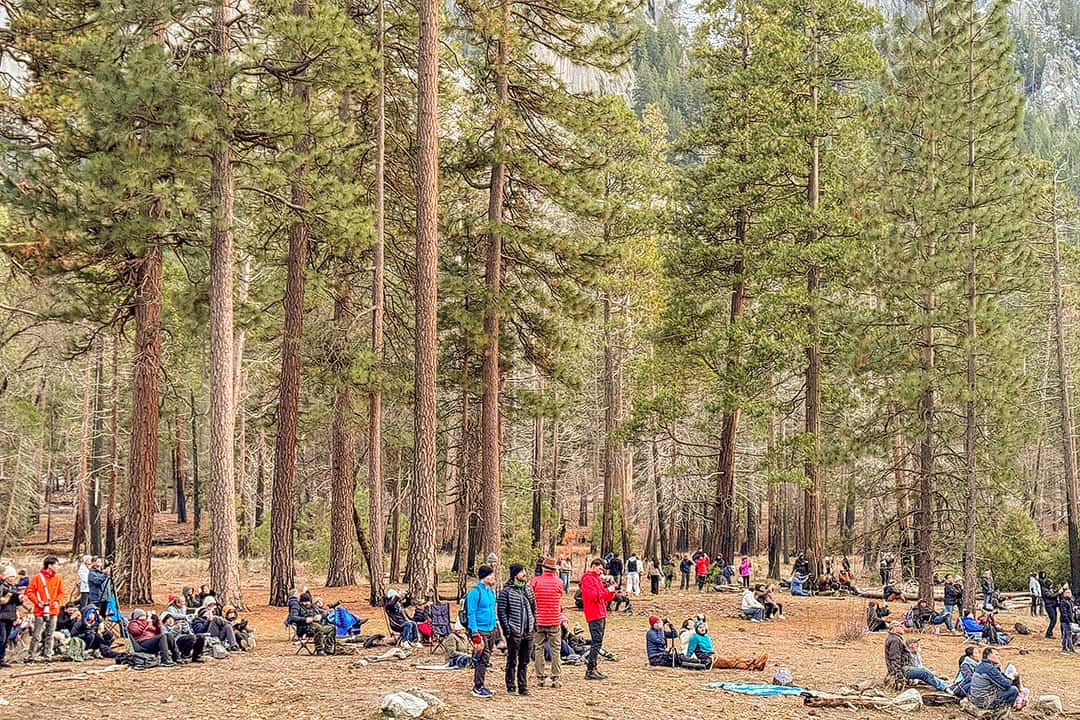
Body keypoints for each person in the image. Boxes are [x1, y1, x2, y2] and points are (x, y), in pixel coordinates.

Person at [496, 563, 536, 696]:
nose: (524, 573)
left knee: (525, 660)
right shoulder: (506, 592)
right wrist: (507, 630)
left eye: (524, 571)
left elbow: (533, 608)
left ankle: (523, 686)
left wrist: (533, 626)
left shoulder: (528, 589)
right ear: (515, 575)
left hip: (528, 631)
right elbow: (502, 612)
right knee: (512, 659)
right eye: (521, 571)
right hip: (514, 631)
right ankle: (511, 686)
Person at [530, 556, 564, 689]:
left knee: (539, 648)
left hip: (539, 619)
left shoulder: (535, 582)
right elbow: (560, 596)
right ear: (555, 570)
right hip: (554, 619)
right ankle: (556, 678)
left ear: (543, 568)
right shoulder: (559, 582)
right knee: (556, 649)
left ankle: (540, 678)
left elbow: (530, 597)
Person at [579, 558, 616, 680]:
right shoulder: (588, 578)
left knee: (598, 642)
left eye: (602, 569)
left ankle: (593, 667)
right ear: (593, 566)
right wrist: (607, 590)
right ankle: (590, 669)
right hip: (593, 613)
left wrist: (611, 588)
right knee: (596, 642)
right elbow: (593, 596)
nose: (601, 571)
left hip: (601, 613)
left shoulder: (597, 579)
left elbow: (606, 598)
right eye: (600, 568)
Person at [466, 564, 498, 698]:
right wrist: (474, 632)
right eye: (490, 575)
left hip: (490, 628)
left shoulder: (490, 592)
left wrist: (495, 625)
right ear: (484, 577)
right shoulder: (475, 592)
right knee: (482, 657)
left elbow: (492, 609)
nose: (493, 577)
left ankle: (481, 684)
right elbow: (471, 612)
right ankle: (478, 686)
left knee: (486, 657)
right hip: (479, 629)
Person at [884, 625, 947, 691]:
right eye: (900, 626)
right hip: (903, 669)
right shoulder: (895, 640)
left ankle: (944, 684)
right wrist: (899, 676)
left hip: (903, 668)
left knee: (925, 672)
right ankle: (945, 687)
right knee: (924, 672)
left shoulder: (895, 638)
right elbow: (894, 659)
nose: (903, 627)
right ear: (894, 628)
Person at [685, 620, 766, 670]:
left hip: (713, 655)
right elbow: (690, 650)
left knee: (734, 658)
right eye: (700, 628)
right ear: (696, 630)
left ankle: (754, 662)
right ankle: (753, 665)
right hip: (709, 658)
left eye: (703, 627)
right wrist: (686, 659)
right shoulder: (694, 637)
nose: (702, 629)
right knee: (730, 662)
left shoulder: (706, 636)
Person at [25, 556, 63, 662]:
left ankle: (48, 656)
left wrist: (57, 602)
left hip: (53, 610)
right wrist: (38, 602)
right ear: (50, 566)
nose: (57, 567)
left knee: (50, 634)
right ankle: (31, 656)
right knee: (37, 634)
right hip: (40, 610)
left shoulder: (58, 578)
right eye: (56, 564)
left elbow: (61, 593)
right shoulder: (37, 578)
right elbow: (29, 591)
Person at [0, 566, 21, 667]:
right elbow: (2, 600)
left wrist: (20, 599)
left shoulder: (14, 587)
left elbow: (16, 604)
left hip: (11, 616)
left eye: (14, 576)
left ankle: (2, 658)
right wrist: (8, 596)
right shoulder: (2, 587)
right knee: (2, 638)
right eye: (11, 576)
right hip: (2, 616)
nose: (13, 578)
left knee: (6, 638)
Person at [1041, 572, 1058, 638]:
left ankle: (1049, 633)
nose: (1052, 585)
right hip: (1049, 606)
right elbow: (1051, 596)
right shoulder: (1045, 590)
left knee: (1054, 620)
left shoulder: (1048, 589)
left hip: (1053, 606)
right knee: (1053, 620)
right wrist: (1058, 592)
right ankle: (1048, 633)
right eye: (1051, 584)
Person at [1059, 587, 1075, 653]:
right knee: (1069, 633)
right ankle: (1070, 647)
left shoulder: (1070, 601)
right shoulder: (1063, 602)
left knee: (1066, 634)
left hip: (1068, 620)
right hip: (1065, 620)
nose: (1069, 594)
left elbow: (1071, 611)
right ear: (1064, 594)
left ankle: (1064, 647)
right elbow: (1064, 612)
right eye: (1067, 593)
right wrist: (1068, 620)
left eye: (1070, 593)